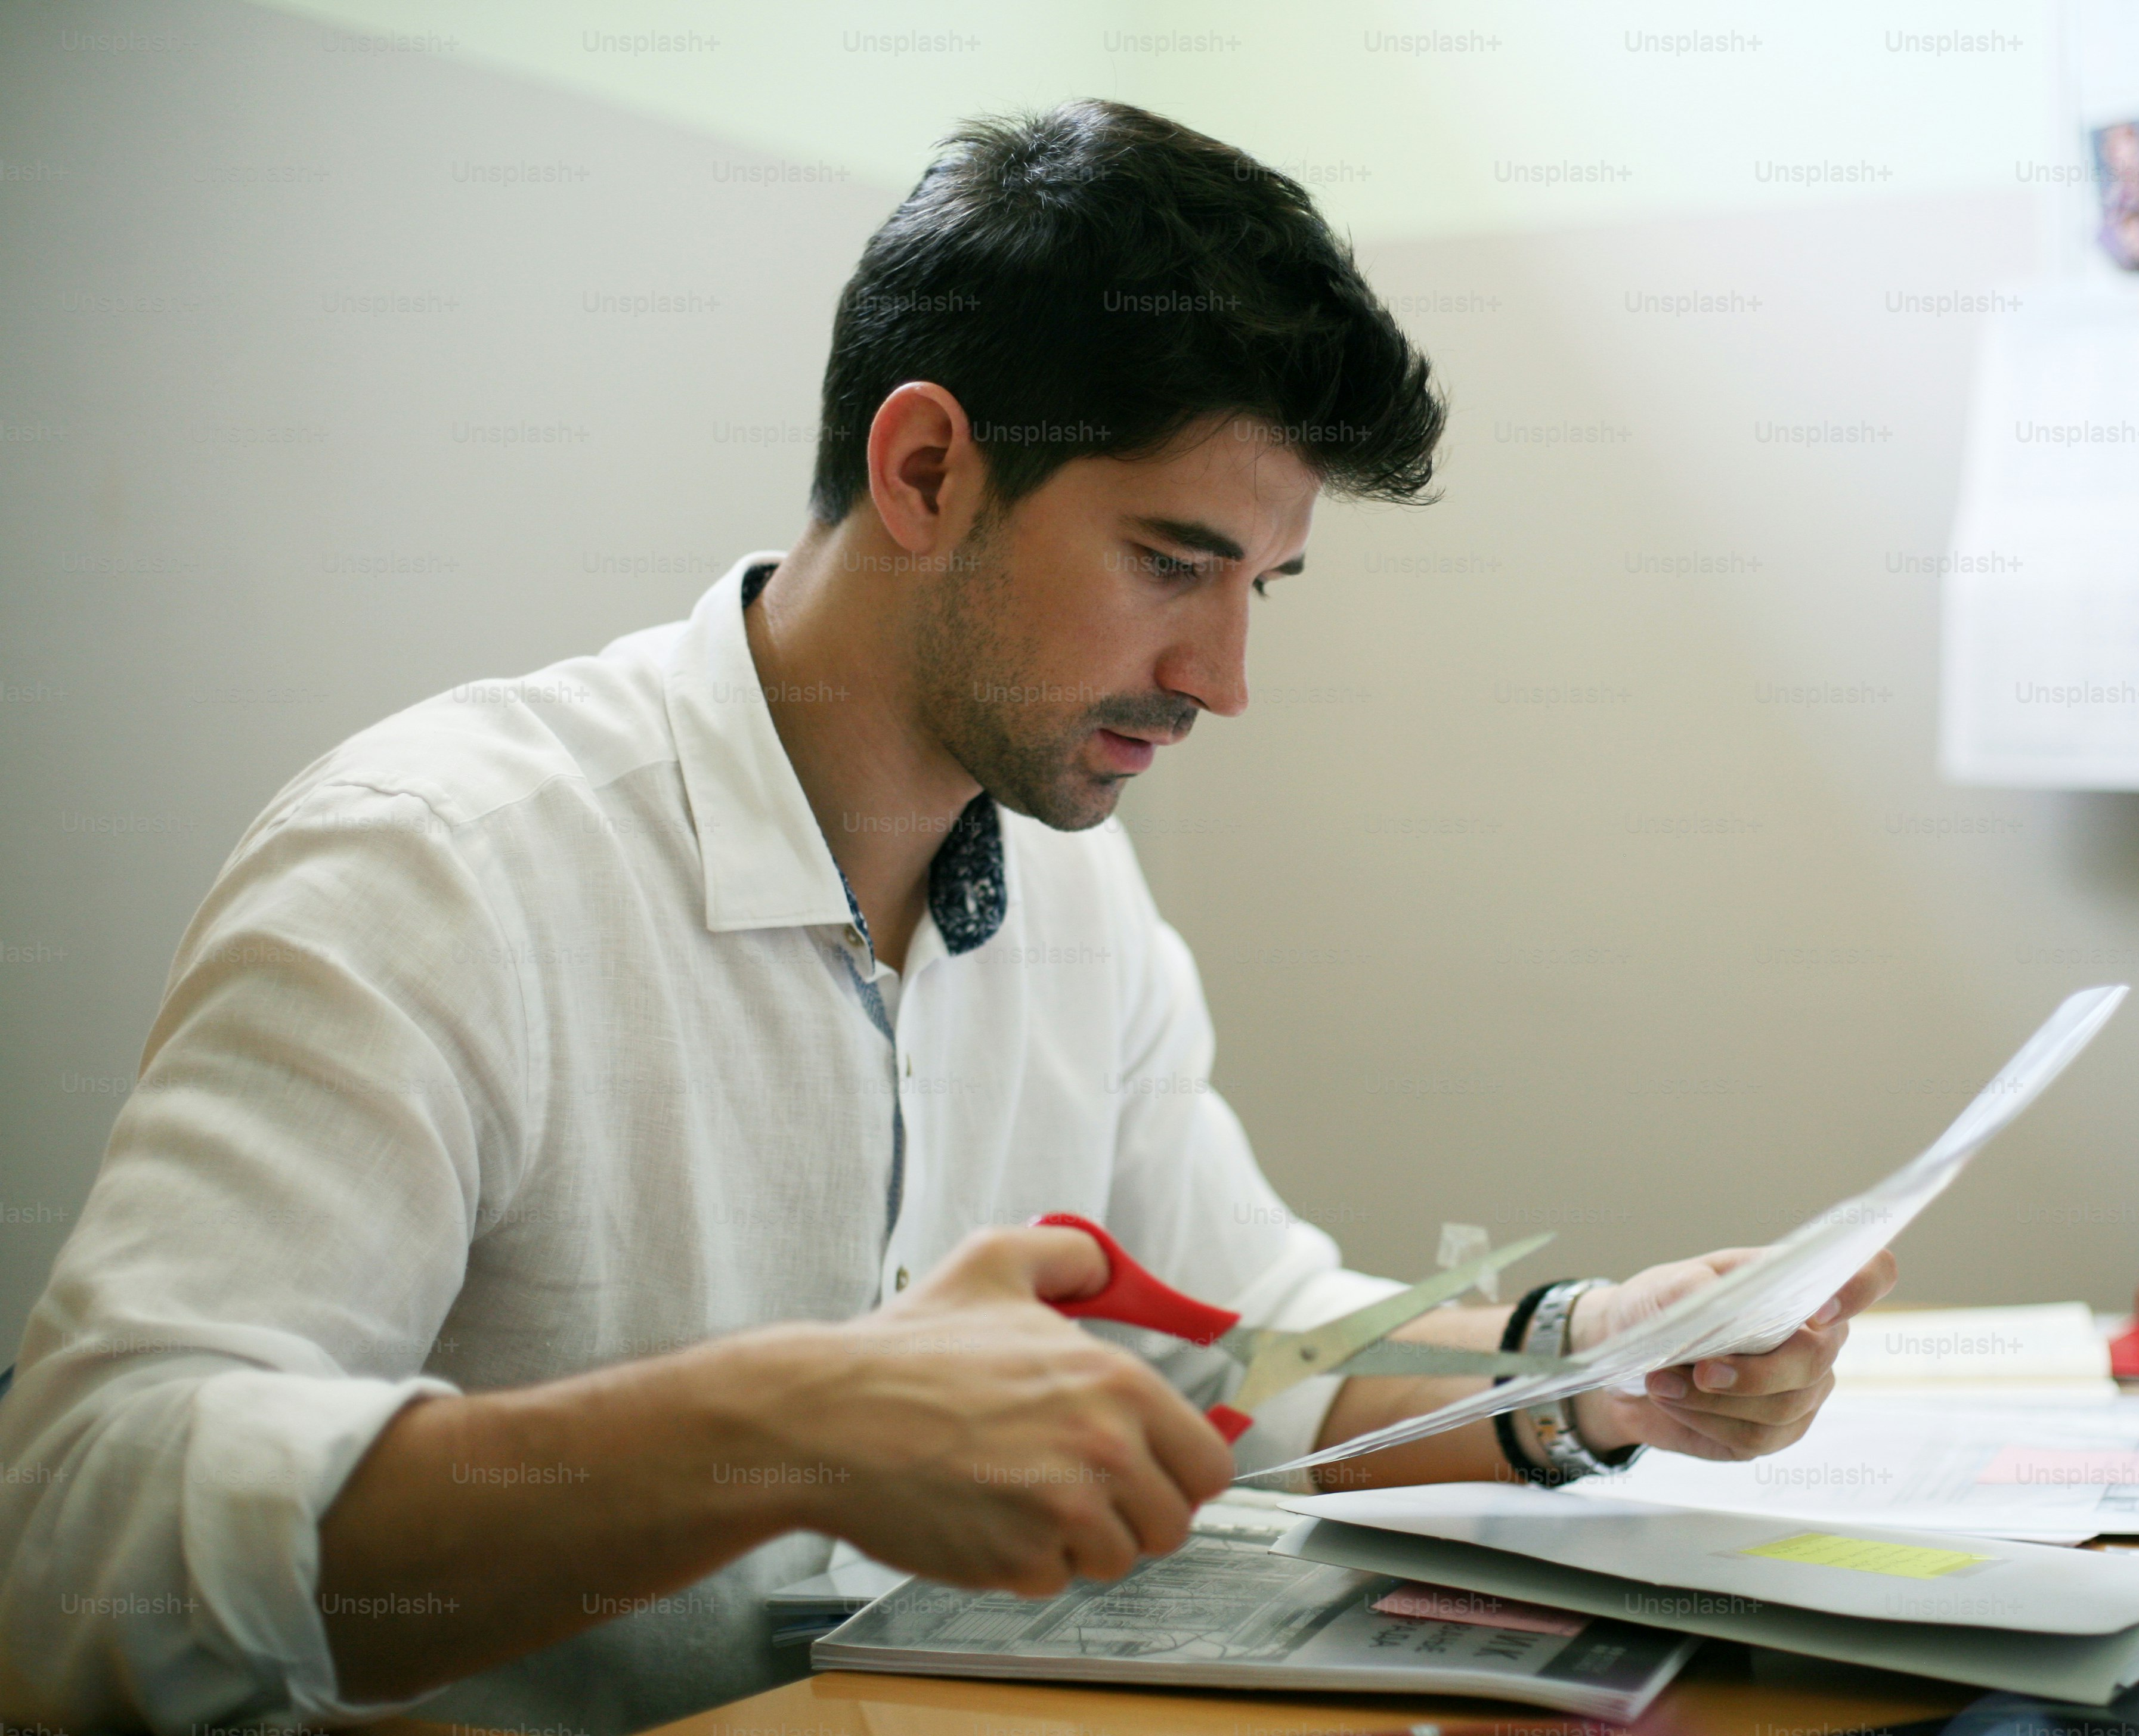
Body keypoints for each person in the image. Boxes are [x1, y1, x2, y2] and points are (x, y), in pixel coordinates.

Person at [0, 100, 1893, 1736]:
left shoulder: (1068, 868)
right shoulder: (439, 867)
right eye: (1173, 563)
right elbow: (78, 1547)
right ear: (925, 472)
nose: (1225, 679)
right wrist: (786, 1426)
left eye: (1266, 588)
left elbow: (1235, 1360)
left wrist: (1590, 1366)